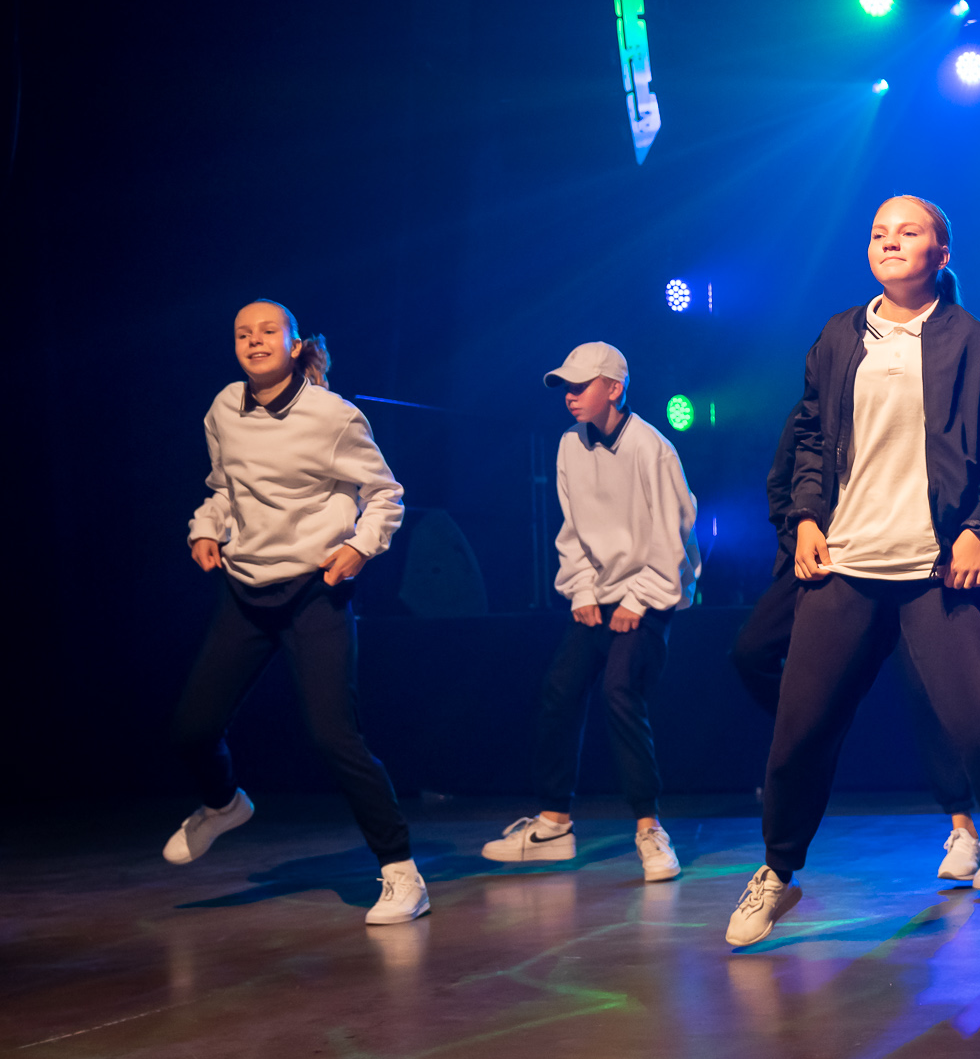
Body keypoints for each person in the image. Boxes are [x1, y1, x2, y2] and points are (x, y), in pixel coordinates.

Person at [724, 195, 980, 965]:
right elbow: (811, 435)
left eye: (908, 231)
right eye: (879, 232)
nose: (890, 241)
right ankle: (777, 871)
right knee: (800, 730)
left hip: (934, 571)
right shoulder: (838, 336)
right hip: (845, 563)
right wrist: (806, 518)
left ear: (941, 254)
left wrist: (978, 530)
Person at [169, 299, 425, 925]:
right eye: (243, 333)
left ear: (293, 344)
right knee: (192, 729)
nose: (254, 341)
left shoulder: (331, 415)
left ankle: (401, 872)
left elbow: (385, 494)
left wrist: (359, 548)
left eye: (268, 331)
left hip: (315, 590)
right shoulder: (223, 409)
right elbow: (224, 487)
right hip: (246, 589)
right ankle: (223, 805)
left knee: (335, 737)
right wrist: (206, 527)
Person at [730, 370, 980, 885]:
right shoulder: (825, 398)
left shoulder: (931, 395)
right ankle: (825, 727)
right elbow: (785, 481)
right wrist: (801, 539)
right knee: (752, 652)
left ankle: (964, 826)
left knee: (930, 689)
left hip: (912, 563)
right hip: (833, 562)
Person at [481, 342, 701, 883]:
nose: (570, 396)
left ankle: (650, 828)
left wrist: (637, 599)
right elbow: (571, 528)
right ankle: (554, 824)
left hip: (653, 592)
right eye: (566, 387)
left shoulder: (652, 447)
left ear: (614, 388)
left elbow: (673, 537)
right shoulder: (568, 445)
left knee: (620, 692)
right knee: (559, 690)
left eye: (581, 386)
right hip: (598, 592)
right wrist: (581, 589)